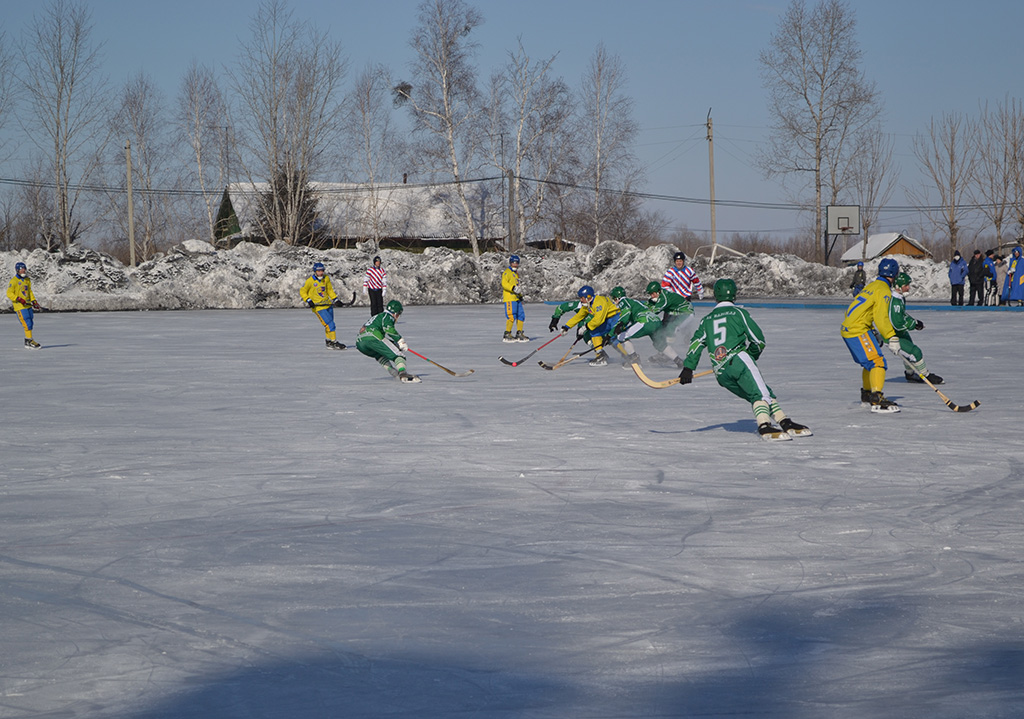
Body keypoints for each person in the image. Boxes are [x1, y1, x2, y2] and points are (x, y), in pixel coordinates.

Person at [677, 278, 811, 441]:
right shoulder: (739, 313)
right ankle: (764, 426)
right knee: (760, 394)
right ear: (734, 295)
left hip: (721, 373)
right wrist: (750, 356)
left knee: (761, 392)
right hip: (739, 360)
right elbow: (759, 341)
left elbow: (696, 344)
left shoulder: (707, 320)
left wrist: (688, 368)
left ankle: (784, 421)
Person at [840, 257, 902, 413]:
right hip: (857, 329)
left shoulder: (873, 286)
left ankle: (867, 394)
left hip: (851, 327)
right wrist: (891, 337)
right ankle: (876, 397)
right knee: (877, 362)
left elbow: (857, 309)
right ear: (894, 275)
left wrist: (872, 331)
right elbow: (881, 317)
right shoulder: (883, 290)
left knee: (869, 363)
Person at [889, 272, 943, 385]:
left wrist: (914, 322)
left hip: (899, 332)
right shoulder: (895, 302)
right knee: (915, 352)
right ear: (899, 286)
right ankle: (925, 375)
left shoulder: (899, 298)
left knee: (908, 352)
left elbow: (902, 315)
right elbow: (897, 323)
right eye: (906, 285)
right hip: (892, 334)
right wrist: (913, 324)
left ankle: (910, 374)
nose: (908, 287)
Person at [607, 286, 677, 368]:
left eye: (614, 299)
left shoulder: (623, 301)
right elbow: (627, 323)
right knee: (660, 344)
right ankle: (678, 361)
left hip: (645, 322)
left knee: (622, 336)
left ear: (617, 298)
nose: (614, 301)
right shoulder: (635, 302)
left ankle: (634, 359)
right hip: (656, 321)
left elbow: (626, 314)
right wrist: (611, 334)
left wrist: (612, 332)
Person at [355, 299, 419, 382]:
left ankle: (394, 373)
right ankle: (403, 374)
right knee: (399, 356)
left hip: (360, 342)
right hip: (373, 337)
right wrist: (400, 341)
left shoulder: (377, 316)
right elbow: (388, 329)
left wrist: (393, 343)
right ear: (396, 313)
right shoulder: (387, 316)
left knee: (380, 355)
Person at [561, 285, 620, 366]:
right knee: (594, 332)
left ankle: (629, 356)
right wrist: (567, 326)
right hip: (607, 319)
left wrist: (586, 327)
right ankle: (601, 355)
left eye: (582, 298)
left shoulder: (599, 302)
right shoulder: (588, 304)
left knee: (612, 337)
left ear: (588, 297)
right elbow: (579, 315)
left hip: (615, 317)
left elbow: (598, 320)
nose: (580, 300)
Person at [645, 280, 695, 366]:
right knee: (662, 329)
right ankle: (665, 353)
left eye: (653, 294)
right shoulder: (659, 296)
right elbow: (647, 306)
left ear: (659, 291)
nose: (652, 296)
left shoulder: (663, 298)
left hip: (687, 313)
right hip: (676, 313)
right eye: (650, 294)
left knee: (672, 328)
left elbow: (654, 312)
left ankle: (666, 355)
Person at [299, 262, 346, 350]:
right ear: (315, 271)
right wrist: (308, 300)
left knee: (329, 324)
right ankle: (334, 342)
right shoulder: (310, 281)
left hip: (327, 305)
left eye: (322, 271)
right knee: (330, 324)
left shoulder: (326, 278)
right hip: (319, 307)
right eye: (319, 271)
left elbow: (329, 290)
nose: (321, 273)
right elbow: (302, 291)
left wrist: (335, 299)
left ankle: (329, 341)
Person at [6, 261, 42, 349]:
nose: (23, 271)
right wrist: (18, 299)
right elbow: (9, 293)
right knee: (27, 323)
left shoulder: (27, 280)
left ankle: (28, 340)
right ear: (17, 270)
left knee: (30, 322)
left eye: (24, 269)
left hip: (28, 305)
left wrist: (34, 301)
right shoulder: (14, 281)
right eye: (21, 270)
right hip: (20, 306)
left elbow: (29, 292)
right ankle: (29, 341)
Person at [501, 254, 527, 342]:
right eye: (513, 263)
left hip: (516, 298)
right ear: (510, 263)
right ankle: (507, 333)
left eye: (516, 263)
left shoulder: (516, 274)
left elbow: (517, 287)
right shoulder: (507, 272)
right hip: (510, 298)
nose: (515, 265)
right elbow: (504, 284)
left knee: (521, 315)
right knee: (511, 316)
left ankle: (519, 333)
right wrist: (512, 288)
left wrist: (520, 297)